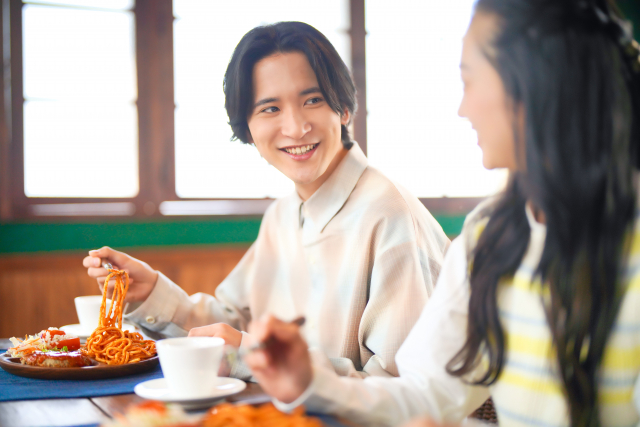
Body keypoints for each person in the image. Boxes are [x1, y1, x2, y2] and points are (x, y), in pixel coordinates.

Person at [244, 1, 640, 426]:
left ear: (537, 82)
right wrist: (311, 382)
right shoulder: (491, 236)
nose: (462, 109)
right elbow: (428, 390)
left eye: (469, 80)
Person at [83, 22, 449, 381]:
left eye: (313, 100)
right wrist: (153, 292)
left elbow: (405, 390)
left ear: (343, 108)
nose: (295, 127)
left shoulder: (389, 215)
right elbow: (235, 322)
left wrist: (253, 354)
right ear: (248, 129)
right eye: (270, 109)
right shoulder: (283, 215)